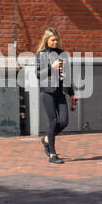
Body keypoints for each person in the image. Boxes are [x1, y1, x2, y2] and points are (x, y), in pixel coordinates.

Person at [36, 28, 77, 165]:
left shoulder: (62, 54)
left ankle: (46, 139)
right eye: (52, 40)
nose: (55, 42)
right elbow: (38, 75)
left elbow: (66, 76)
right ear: (46, 40)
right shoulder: (41, 55)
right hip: (47, 92)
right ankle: (52, 154)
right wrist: (51, 67)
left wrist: (72, 94)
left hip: (60, 92)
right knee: (52, 121)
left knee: (64, 122)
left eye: (56, 39)